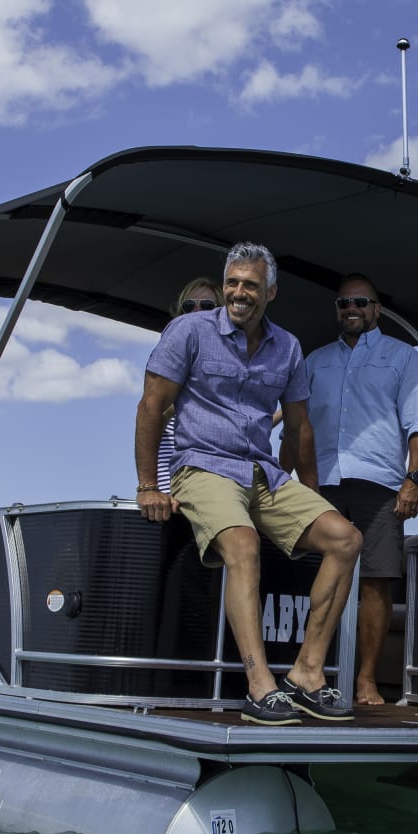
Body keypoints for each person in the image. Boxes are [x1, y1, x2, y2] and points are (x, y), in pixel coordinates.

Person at [134, 242, 363, 726]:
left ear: (271, 291)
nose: (239, 293)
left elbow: (300, 428)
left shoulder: (288, 346)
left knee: (346, 538)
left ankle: (306, 673)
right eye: (232, 283)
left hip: (263, 472)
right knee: (243, 545)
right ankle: (260, 687)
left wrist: (314, 493)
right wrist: (147, 486)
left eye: (250, 285)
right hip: (203, 466)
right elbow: (152, 405)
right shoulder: (190, 331)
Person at [284, 274, 418, 706]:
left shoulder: (402, 357)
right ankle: (312, 672)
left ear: (376, 310)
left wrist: (414, 478)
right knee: (311, 576)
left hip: (380, 482)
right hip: (321, 483)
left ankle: (366, 680)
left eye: (360, 302)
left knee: (376, 581)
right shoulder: (315, 361)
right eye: (343, 303)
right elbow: (294, 425)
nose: (351, 309)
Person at [155, 276, 219, 495]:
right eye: (189, 306)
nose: (197, 311)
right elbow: (153, 419)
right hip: (171, 488)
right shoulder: (169, 359)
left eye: (208, 306)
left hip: (213, 486)